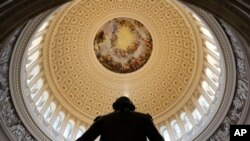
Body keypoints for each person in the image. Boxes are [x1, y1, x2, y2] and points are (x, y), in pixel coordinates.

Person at [76, 96, 165, 141]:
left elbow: (83, 140)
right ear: (132, 107)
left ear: (115, 107)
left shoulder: (102, 120)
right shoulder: (144, 118)